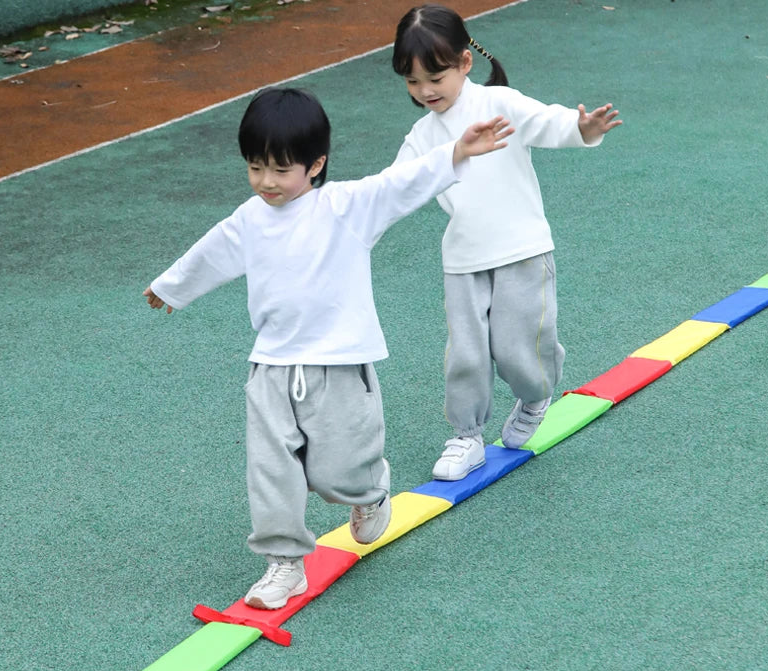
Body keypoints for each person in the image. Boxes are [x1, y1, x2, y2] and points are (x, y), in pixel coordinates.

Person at [144, 87, 511, 609]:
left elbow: (399, 185)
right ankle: (284, 563)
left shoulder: (347, 207)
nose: (266, 182)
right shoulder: (250, 218)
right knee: (270, 469)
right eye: (254, 167)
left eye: (279, 169)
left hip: (338, 366)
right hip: (270, 366)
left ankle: (369, 491)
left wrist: (455, 153)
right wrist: (172, 287)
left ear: (315, 165)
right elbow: (214, 251)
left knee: (339, 472)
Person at [391, 4, 622, 481]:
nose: (425, 91)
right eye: (413, 81)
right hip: (462, 258)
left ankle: (537, 390)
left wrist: (582, 128)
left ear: (464, 63)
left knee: (521, 349)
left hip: (522, 249)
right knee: (467, 354)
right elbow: (397, 186)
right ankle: (467, 435)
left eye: (435, 76)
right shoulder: (421, 135)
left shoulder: (501, 104)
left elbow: (548, 121)